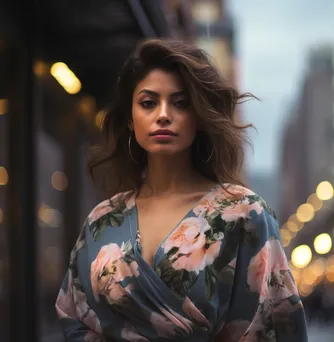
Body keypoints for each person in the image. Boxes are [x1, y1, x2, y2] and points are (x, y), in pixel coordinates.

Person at [55, 39, 308, 342]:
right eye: (148, 103)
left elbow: (277, 323)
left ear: (199, 117)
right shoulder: (102, 220)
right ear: (130, 121)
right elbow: (72, 314)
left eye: (180, 102)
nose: (163, 114)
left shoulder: (243, 213)